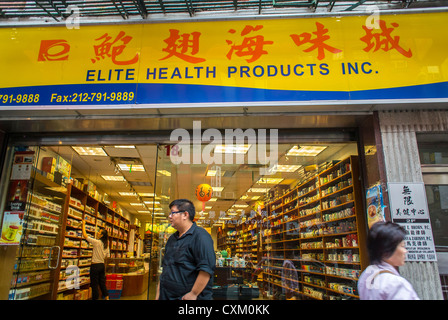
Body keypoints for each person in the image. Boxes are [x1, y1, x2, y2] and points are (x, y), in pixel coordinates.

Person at [156, 199, 216, 300]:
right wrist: (158, 296)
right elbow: (165, 269)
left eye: (173, 213)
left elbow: (206, 270)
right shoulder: (172, 239)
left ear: (185, 215)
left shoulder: (201, 237)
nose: (169, 216)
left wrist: (193, 293)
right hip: (166, 295)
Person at [358, 221, 419, 300]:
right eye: (402, 246)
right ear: (387, 251)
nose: (405, 251)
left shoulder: (366, 275)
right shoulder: (395, 284)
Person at [82, 220, 110, 300]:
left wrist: (83, 224)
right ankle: (107, 298)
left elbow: (85, 236)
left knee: (94, 285)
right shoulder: (106, 245)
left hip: (95, 266)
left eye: (99, 232)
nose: (97, 233)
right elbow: (107, 256)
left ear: (101, 235)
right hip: (102, 265)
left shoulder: (97, 242)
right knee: (102, 283)